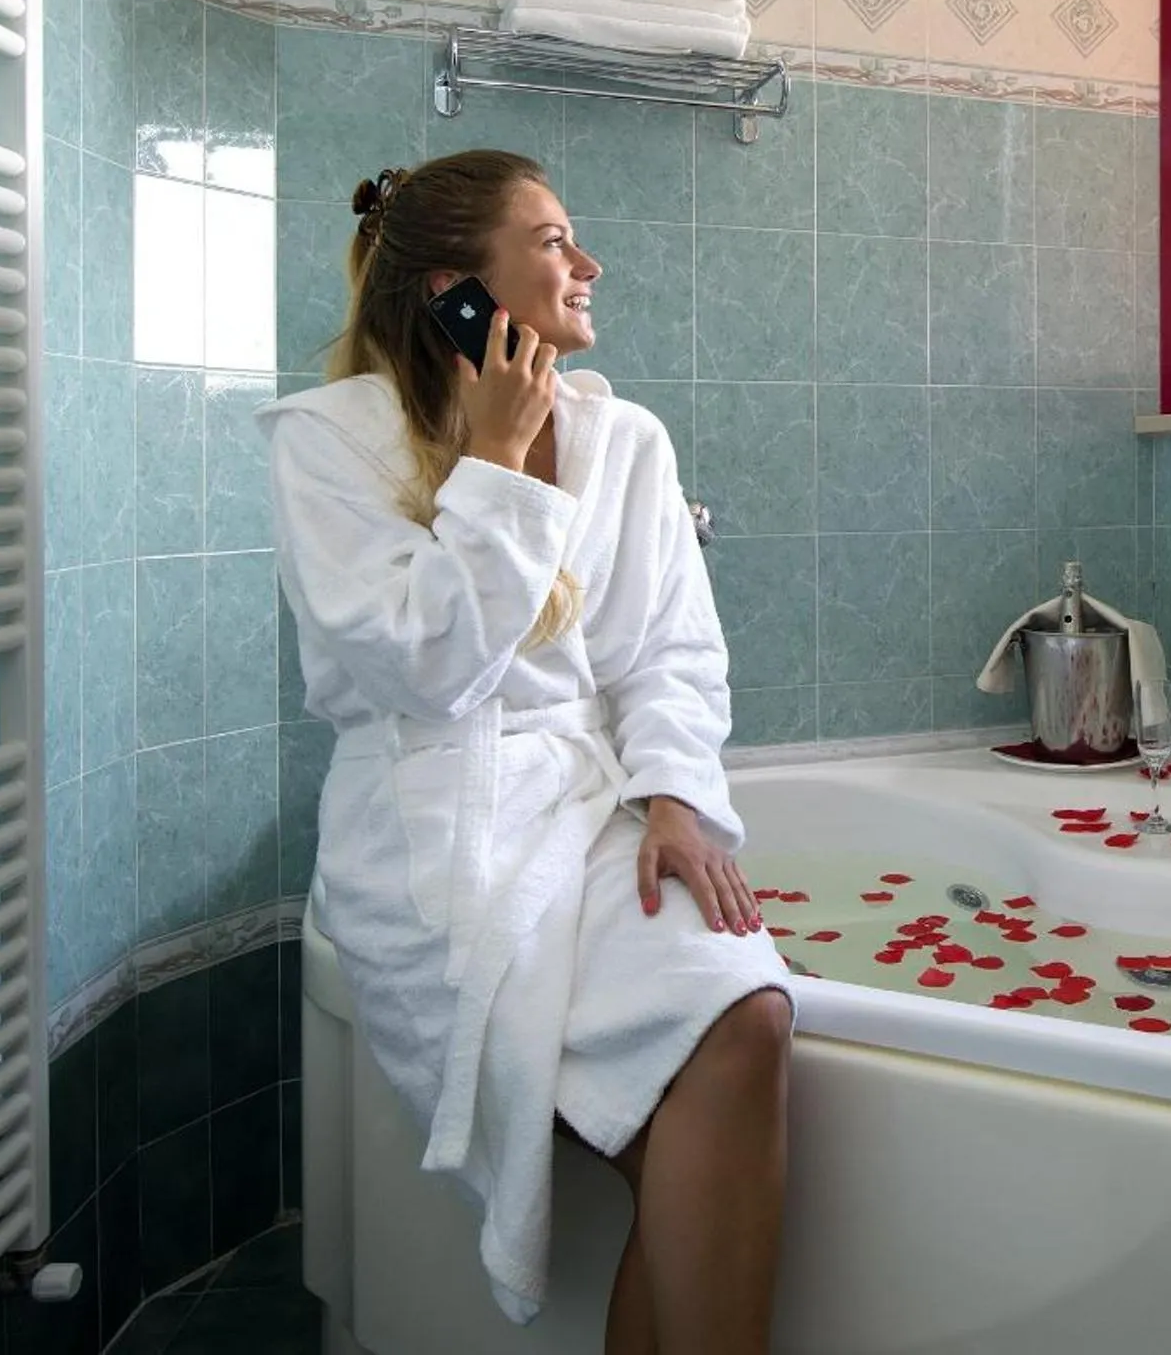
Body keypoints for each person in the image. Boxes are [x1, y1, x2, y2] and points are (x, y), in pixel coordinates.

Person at [257, 149, 791, 1354]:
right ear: (460, 287)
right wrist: (495, 461)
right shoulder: (328, 443)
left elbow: (669, 651)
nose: (586, 263)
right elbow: (422, 670)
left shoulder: (626, 440)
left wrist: (670, 797)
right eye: (553, 241)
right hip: (430, 836)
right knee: (673, 1114)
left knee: (750, 1012)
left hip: (591, 814)